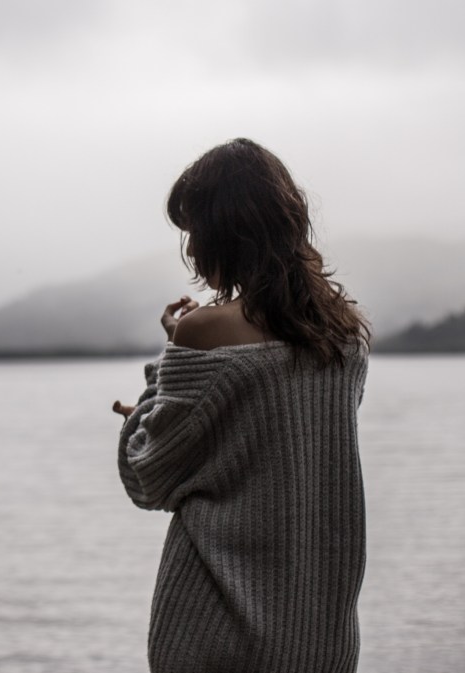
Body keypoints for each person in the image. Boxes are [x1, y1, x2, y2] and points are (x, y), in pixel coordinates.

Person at [112, 138, 371, 673]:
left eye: (193, 233)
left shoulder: (203, 331)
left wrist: (161, 377)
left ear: (222, 232)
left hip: (215, 631)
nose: (191, 250)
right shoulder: (345, 335)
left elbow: (149, 477)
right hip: (320, 635)